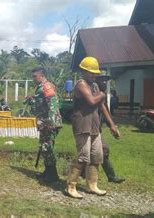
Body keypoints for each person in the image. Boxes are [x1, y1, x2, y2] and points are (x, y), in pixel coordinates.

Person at [65, 57, 120, 199]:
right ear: (83, 71)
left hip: (94, 125)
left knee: (97, 155)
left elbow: (102, 106)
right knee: (83, 156)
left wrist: (111, 125)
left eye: (95, 72)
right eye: (91, 72)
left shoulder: (95, 86)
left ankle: (92, 185)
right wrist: (102, 94)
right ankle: (71, 185)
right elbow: (91, 101)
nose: (94, 75)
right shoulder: (81, 84)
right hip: (82, 124)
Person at [31, 67, 63, 183]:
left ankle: (53, 175)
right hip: (44, 122)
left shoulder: (47, 86)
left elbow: (52, 104)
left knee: (47, 147)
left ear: (42, 75)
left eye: (35, 76)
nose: (33, 79)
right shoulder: (40, 88)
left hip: (49, 122)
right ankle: (47, 171)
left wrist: (51, 121)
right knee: (44, 147)